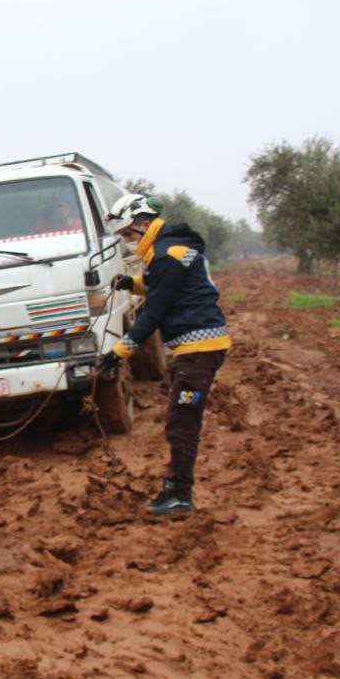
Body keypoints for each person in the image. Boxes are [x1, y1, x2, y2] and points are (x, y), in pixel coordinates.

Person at [96, 194, 230, 521]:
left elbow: (155, 311)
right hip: (195, 349)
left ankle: (180, 496)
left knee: (182, 421)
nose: (127, 242)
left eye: (129, 235)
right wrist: (132, 283)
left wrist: (119, 352)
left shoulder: (168, 254)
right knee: (179, 419)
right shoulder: (170, 250)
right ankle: (175, 489)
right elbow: (163, 285)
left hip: (198, 352)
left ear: (144, 225)